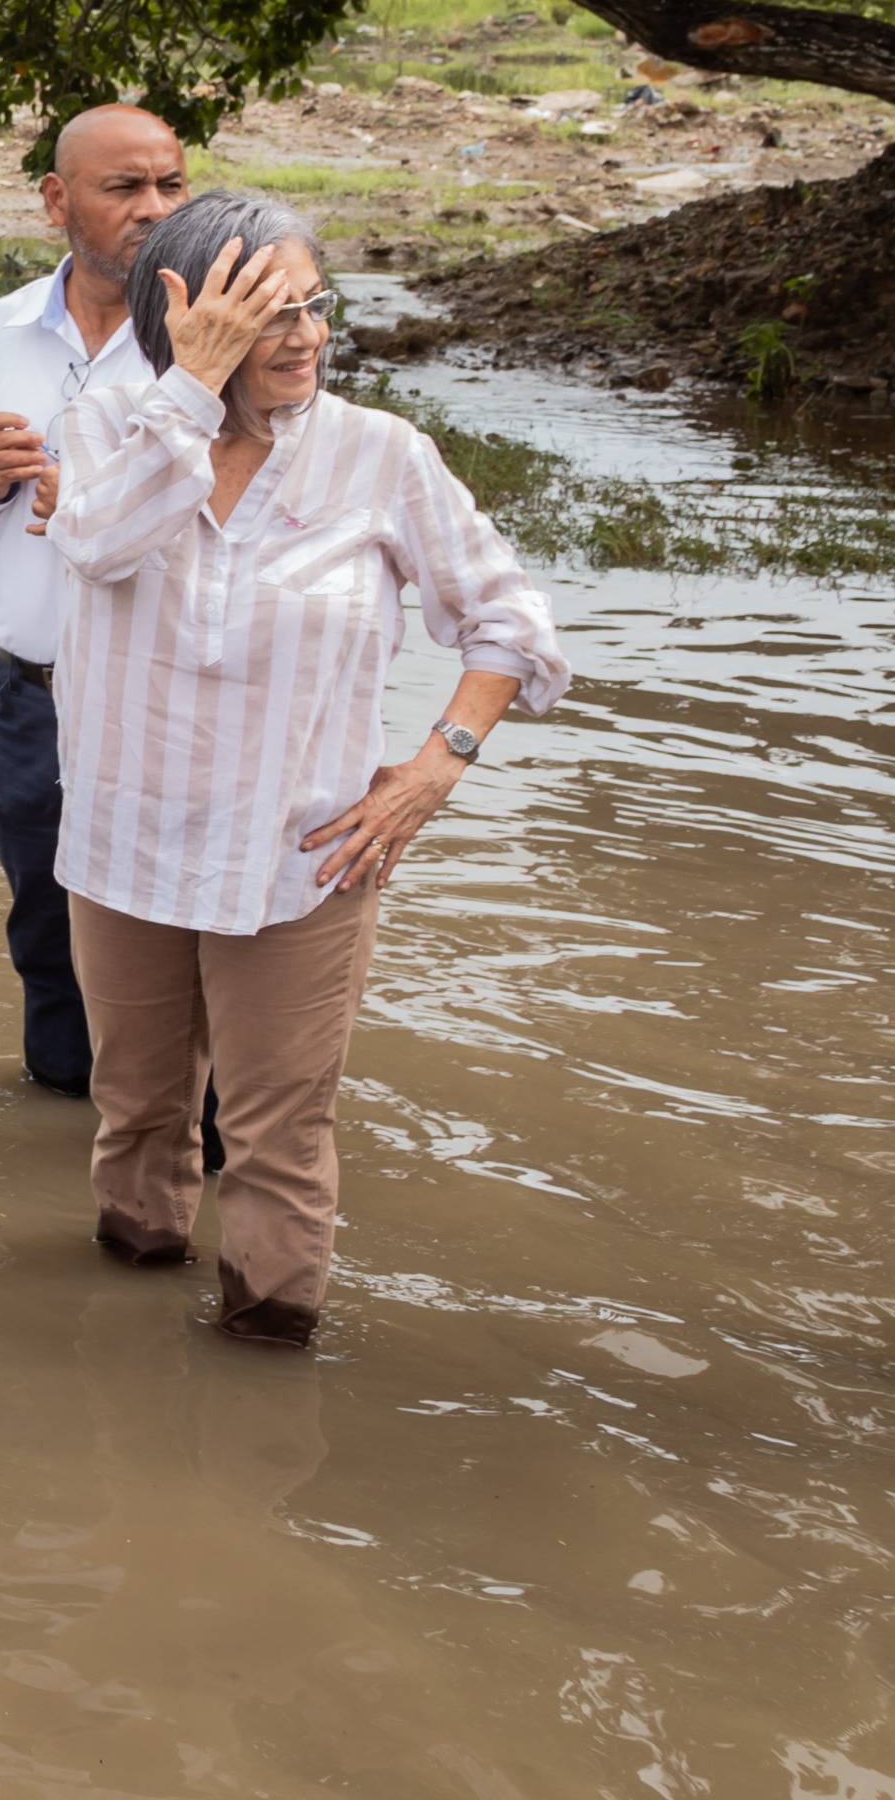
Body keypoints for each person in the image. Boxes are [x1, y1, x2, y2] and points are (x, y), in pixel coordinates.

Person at [39, 192, 568, 1348]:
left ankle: (267, 1359)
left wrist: (437, 767)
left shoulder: (379, 454)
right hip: (123, 844)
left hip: (302, 854)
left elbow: (512, 625)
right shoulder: (112, 425)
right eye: (264, 312)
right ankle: (119, 1332)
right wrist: (186, 390)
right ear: (177, 314)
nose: (303, 335)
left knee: (279, 1133)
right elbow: (92, 543)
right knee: (135, 1114)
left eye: (313, 306)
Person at [0, 104, 196, 1104]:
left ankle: (188, 1130)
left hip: (177, 699)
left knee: (182, 924)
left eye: (171, 184)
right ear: (58, 202)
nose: (153, 209)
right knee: (44, 920)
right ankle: (67, 1114)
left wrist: (115, 506)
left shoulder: (213, 344)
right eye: (125, 188)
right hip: (33, 694)